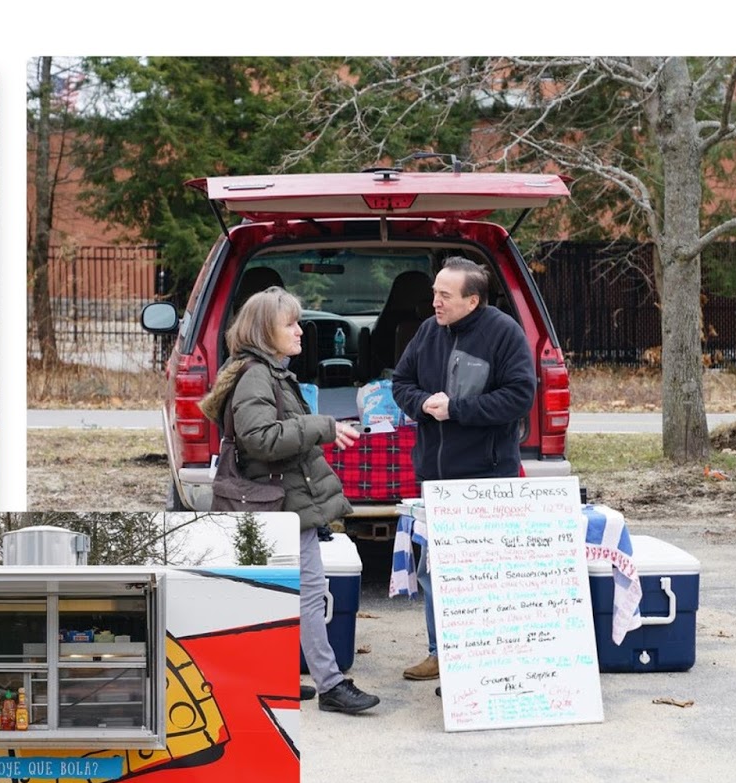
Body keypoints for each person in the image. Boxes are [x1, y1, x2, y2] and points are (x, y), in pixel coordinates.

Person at [201, 286, 379, 715]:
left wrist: (321, 429)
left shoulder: (269, 373)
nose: (301, 330)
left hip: (280, 501)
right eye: (291, 324)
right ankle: (331, 685)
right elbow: (261, 439)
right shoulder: (257, 376)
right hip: (277, 504)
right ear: (265, 332)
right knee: (309, 593)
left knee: (280, 595)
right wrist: (322, 426)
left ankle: (268, 679)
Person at [391, 257, 538, 683]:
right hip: (435, 479)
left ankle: (486, 661)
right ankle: (439, 653)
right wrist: (421, 403)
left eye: (445, 295)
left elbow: (519, 396)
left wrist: (457, 409)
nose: (435, 302)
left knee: (485, 576)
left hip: (486, 478)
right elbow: (400, 383)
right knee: (434, 571)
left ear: (472, 300)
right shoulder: (427, 331)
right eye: (434, 293)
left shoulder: (504, 334)